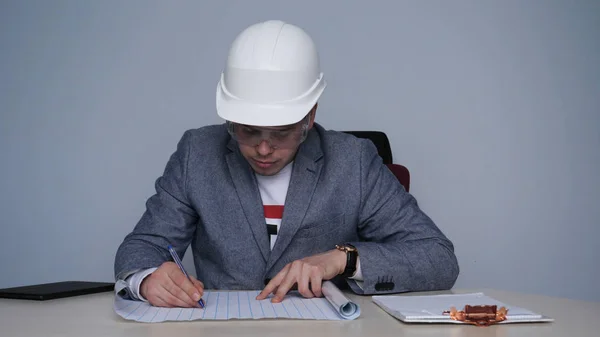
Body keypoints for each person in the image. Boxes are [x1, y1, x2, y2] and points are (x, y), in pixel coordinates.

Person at [114, 20, 459, 308]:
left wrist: (343, 259)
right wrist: (146, 280)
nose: (263, 149)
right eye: (248, 130)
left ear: (310, 116)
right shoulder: (197, 153)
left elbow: (438, 258)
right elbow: (141, 246)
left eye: (282, 133)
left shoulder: (354, 161)